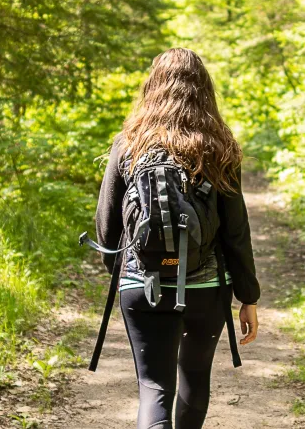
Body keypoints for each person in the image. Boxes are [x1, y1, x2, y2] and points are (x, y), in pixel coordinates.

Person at [93, 47, 261, 429]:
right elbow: (236, 232)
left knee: (154, 387)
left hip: (142, 284)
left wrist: (129, 273)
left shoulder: (128, 145)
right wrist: (248, 296)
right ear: (204, 90)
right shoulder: (220, 148)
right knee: (195, 378)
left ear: (152, 87)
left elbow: (107, 229)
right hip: (206, 286)